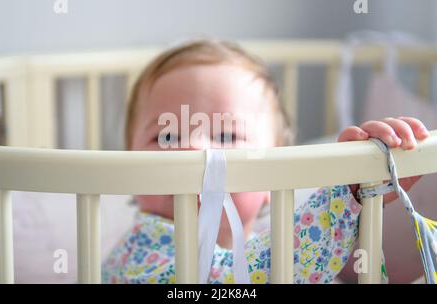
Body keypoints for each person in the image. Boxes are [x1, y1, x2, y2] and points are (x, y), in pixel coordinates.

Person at [102, 39, 430, 284]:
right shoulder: (139, 253)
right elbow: (249, 277)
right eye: (167, 137)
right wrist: (345, 197)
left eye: (228, 136)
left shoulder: (269, 236)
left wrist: (368, 182)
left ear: (272, 181)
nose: (193, 148)